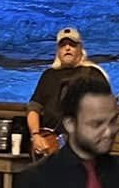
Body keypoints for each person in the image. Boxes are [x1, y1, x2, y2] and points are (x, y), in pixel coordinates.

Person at [24, 27, 98, 155]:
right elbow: (34, 108)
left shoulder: (92, 74)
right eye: (63, 45)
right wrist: (35, 135)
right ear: (58, 50)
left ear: (80, 48)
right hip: (50, 145)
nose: (67, 48)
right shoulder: (48, 75)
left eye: (72, 45)